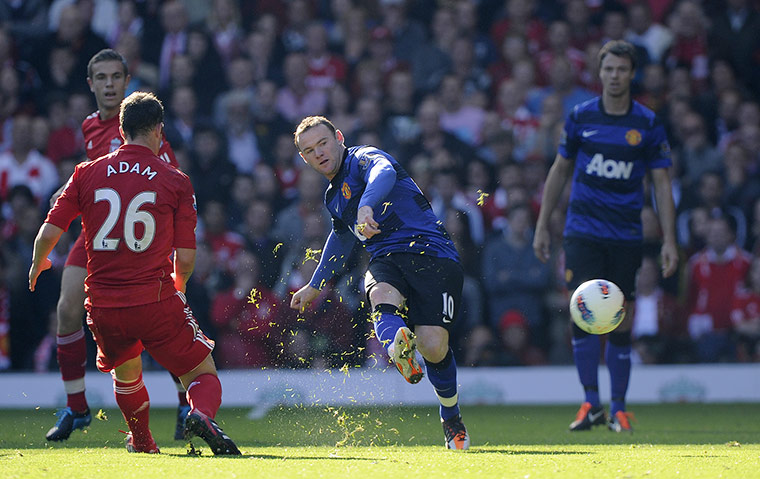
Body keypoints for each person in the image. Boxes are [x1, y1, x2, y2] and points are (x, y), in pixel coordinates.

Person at [29, 91, 240, 455]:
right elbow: (186, 256)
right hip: (154, 298)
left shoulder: (86, 173)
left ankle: (142, 441)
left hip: (104, 304)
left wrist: (38, 263)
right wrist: (180, 287)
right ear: (159, 130)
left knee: (126, 373)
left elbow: (50, 230)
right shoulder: (175, 180)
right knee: (201, 372)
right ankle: (201, 414)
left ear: (122, 130)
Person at [290, 116, 470, 450]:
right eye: (310, 150)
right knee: (378, 290)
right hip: (388, 258)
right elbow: (342, 237)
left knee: (433, 346)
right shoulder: (333, 198)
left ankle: (451, 417)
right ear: (304, 158)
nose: (319, 153)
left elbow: (383, 173)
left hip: (433, 255)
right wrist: (315, 284)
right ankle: (396, 348)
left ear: (339, 137)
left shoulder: (363, 159)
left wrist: (367, 205)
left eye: (323, 143)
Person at [533, 40, 678, 433]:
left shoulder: (646, 123)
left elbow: (662, 184)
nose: (615, 76)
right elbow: (560, 171)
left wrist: (669, 239)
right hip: (583, 232)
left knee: (620, 320)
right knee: (582, 317)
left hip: (625, 236)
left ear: (632, 75)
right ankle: (590, 404)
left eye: (622, 70)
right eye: (608, 69)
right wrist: (543, 223)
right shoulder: (581, 117)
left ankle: (619, 408)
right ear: (599, 74)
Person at [45, 48, 188, 443]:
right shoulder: (90, 126)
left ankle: (183, 402)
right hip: (98, 237)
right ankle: (77, 408)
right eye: (101, 78)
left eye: (115, 77)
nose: (109, 85)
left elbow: (172, 181)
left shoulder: (142, 128)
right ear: (91, 84)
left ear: (127, 82)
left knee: (167, 317)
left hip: (142, 239)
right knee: (66, 308)